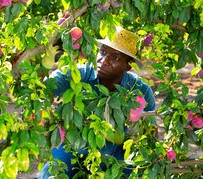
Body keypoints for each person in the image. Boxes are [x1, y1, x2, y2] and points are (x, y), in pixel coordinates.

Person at [38, 27, 157, 179]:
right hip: (71, 147)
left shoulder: (140, 90)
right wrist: (46, 62)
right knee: (50, 176)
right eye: (103, 52)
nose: (105, 60)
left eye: (115, 57)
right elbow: (42, 91)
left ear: (128, 66)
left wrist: (150, 155)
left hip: (114, 151)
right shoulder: (79, 73)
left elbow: (151, 130)